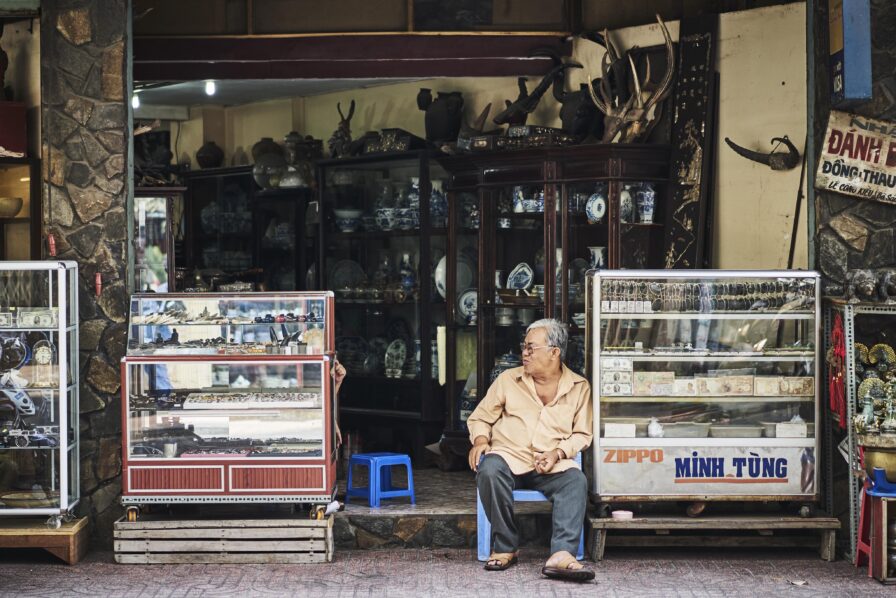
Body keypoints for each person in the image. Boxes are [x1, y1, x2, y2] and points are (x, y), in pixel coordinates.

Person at [468, 318, 594, 582]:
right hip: (508, 456)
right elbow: (480, 417)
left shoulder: (579, 387)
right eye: (524, 347)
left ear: (554, 352)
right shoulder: (508, 380)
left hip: (550, 462)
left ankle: (561, 554)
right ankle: (505, 546)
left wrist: (558, 453)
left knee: (575, 481)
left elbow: (582, 434)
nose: (524, 353)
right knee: (489, 469)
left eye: (530, 348)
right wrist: (480, 440)